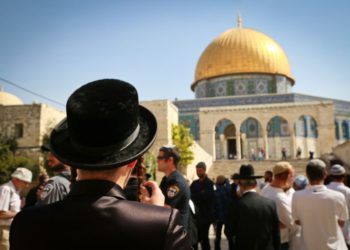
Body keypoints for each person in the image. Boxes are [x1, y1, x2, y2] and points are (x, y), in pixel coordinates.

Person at [10, 79, 191, 250]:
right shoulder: (160, 224)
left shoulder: (26, 224)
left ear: (72, 158)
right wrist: (156, 217)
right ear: (133, 161)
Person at [292, 159, 348, 250]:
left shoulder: (296, 196)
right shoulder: (338, 196)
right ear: (325, 174)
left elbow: (297, 221)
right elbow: (341, 222)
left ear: (307, 175)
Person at [225, 164, 280, 250]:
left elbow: (229, 232)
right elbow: (276, 234)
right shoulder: (270, 204)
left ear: (240, 185)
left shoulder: (235, 205)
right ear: (255, 185)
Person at [261, 162, 295, 250]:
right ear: (285, 176)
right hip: (280, 242)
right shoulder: (281, 198)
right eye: (292, 176)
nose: (293, 179)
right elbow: (292, 224)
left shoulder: (266, 189)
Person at [158, 145, 191, 232]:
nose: (157, 160)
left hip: (176, 234)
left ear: (170, 160)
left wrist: (149, 202)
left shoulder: (177, 182)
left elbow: (167, 209)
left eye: (160, 157)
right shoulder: (166, 180)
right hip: (169, 229)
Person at [0, 168, 32, 250]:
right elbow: (1, 214)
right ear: (17, 179)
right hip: (3, 230)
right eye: (25, 182)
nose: (27, 186)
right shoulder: (6, 189)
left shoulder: (15, 191)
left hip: (9, 230)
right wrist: (21, 213)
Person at [190, 162, 215, 250]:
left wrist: (199, 195)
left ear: (204, 170)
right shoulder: (194, 183)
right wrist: (201, 194)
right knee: (195, 238)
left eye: (200, 170)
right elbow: (191, 196)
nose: (198, 172)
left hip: (206, 216)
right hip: (195, 216)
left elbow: (208, 196)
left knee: (204, 239)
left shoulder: (209, 183)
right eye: (197, 170)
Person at [326, 164, 350, 248]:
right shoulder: (348, 191)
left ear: (331, 176)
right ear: (344, 177)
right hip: (345, 232)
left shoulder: (324, 189)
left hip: (326, 235)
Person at [213, 175, 231, 250]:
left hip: (218, 216)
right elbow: (229, 188)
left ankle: (217, 248)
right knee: (229, 234)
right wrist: (227, 180)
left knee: (217, 235)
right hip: (226, 215)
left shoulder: (215, 191)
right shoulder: (227, 190)